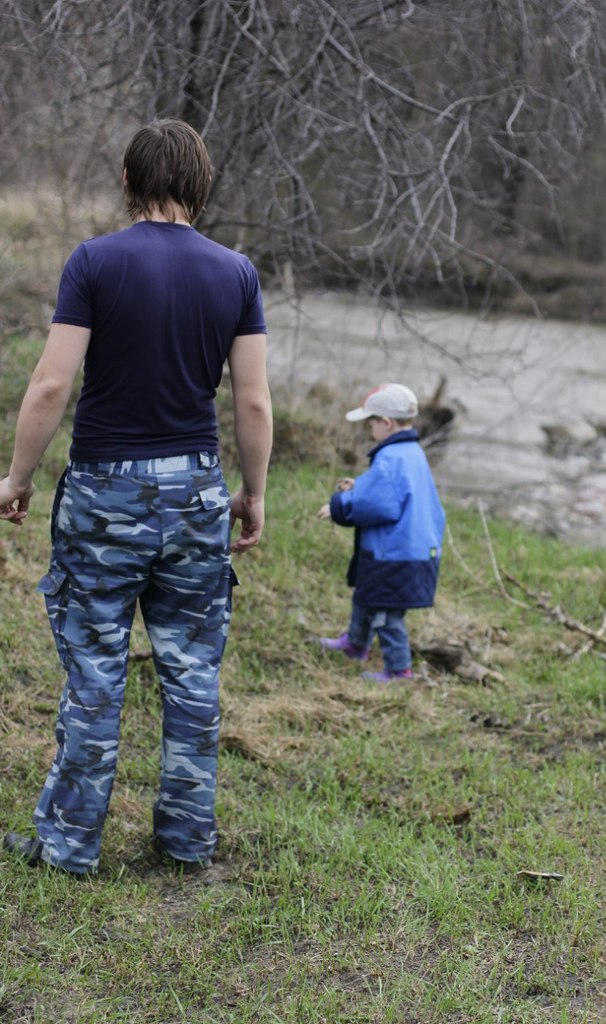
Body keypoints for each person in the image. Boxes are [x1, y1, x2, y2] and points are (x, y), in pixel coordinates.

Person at [0, 119, 273, 876]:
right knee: (191, 673)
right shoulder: (236, 273)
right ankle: (186, 844)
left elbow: (53, 382)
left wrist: (18, 478)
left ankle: (69, 845)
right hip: (195, 492)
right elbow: (251, 403)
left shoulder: (95, 262)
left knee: (94, 673)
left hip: (104, 493)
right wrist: (252, 492)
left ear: (128, 182)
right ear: (199, 185)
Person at [317, 383, 445, 684]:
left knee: (387, 615)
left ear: (386, 423)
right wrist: (358, 486)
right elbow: (385, 489)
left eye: (371, 421)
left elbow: (376, 503)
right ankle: (356, 644)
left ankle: (399, 671)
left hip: (396, 555)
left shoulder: (390, 458)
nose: (369, 427)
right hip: (411, 550)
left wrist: (339, 506)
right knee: (366, 596)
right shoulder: (410, 452)